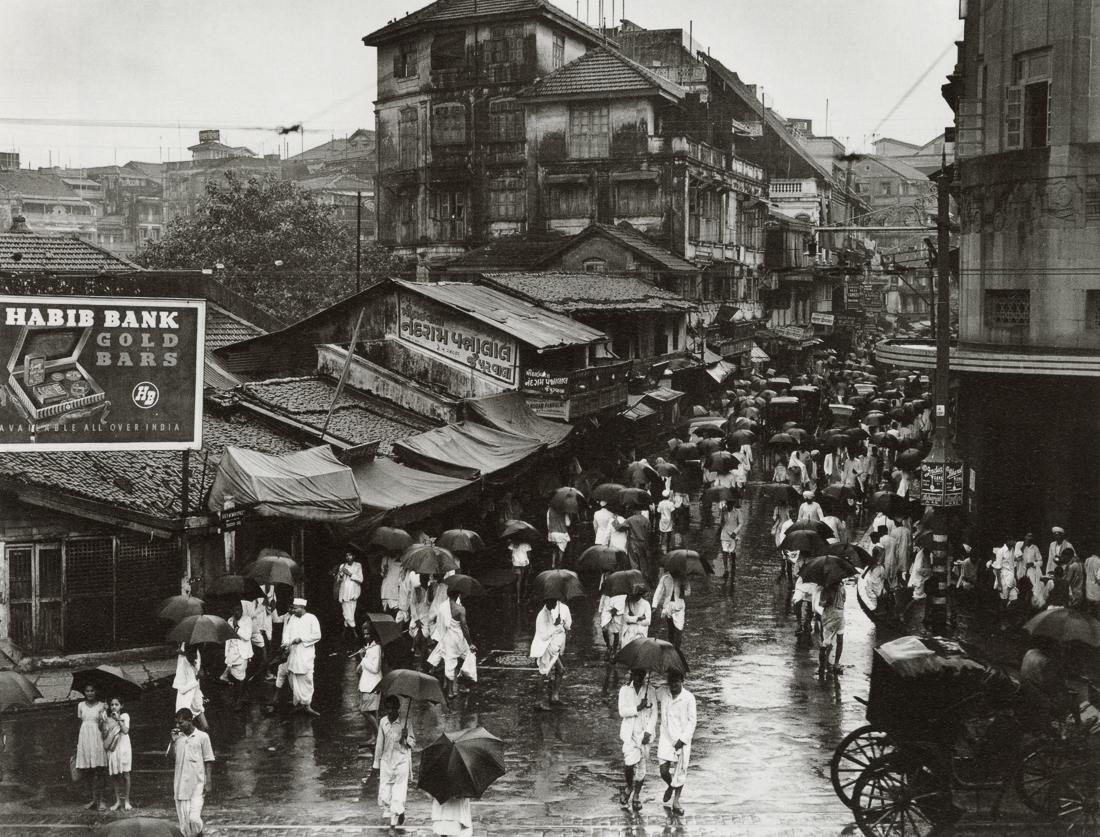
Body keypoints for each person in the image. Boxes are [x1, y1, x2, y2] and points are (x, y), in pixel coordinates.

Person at [369, 695, 414, 828]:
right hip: (386, 761)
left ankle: (393, 825)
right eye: (387, 708)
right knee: (384, 793)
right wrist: (376, 764)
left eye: (392, 708)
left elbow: (413, 743)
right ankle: (399, 811)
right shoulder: (383, 722)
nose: (389, 711)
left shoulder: (406, 722)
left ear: (397, 708)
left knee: (398, 793)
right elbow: (379, 744)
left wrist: (406, 738)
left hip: (401, 761)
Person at [657, 671, 697, 816]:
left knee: (680, 771)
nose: (673, 685)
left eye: (676, 681)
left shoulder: (689, 698)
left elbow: (692, 722)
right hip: (666, 737)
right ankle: (670, 786)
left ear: (682, 681)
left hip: (682, 739)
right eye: (670, 681)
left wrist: (683, 740)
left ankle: (676, 801)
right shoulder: (663, 692)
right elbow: (649, 693)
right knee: (663, 771)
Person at [170, 708, 214, 837]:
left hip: (197, 785)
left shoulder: (202, 737)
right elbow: (172, 758)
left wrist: (208, 781)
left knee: (194, 819)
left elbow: (209, 759)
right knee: (184, 825)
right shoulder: (177, 738)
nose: (178, 726)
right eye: (177, 723)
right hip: (180, 786)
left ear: (190, 721)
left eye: (181, 723)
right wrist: (173, 741)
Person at [618, 668, 657, 812]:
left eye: (643, 674)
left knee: (641, 768)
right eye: (637, 674)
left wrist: (649, 732)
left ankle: (636, 797)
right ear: (632, 674)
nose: (640, 677)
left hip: (644, 735)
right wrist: (638, 707)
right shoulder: (624, 690)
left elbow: (654, 714)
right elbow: (622, 711)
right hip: (629, 734)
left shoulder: (650, 690)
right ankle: (629, 787)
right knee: (629, 764)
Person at [279, 597, 322, 715]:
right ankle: (298, 704)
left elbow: (317, 635)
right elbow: (286, 632)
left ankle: (307, 705)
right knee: (293, 678)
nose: (293, 610)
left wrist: (301, 639)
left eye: (295, 608)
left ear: (302, 608)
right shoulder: (292, 618)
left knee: (307, 679)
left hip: (305, 654)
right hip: (293, 654)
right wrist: (286, 644)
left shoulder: (312, 618)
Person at [529, 597, 571, 710]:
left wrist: (560, 624)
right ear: (546, 602)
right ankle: (538, 702)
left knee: (560, 670)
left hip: (555, 647)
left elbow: (568, 626)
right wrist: (555, 626)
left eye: (555, 602)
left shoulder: (561, 609)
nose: (553, 605)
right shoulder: (541, 615)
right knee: (543, 673)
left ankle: (554, 697)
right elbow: (543, 635)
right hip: (545, 648)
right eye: (551, 603)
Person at [75, 684, 108, 810]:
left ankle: (102, 800)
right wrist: (79, 744)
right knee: (87, 770)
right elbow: (80, 724)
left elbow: (104, 726)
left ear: (96, 691)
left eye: (92, 690)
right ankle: (93, 800)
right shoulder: (81, 705)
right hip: (84, 738)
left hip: (97, 737)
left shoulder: (101, 705)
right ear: (84, 692)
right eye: (87, 691)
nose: (90, 693)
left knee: (99, 769)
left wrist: (103, 713)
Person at [221, 602, 253, 709]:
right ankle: (241, 696)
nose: (237, 612)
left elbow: (247, 636)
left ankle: (239, 700)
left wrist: (236, 628)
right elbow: (227, 640)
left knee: (240, 677)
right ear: (232, 611)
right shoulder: (229, 621)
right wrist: (227, 655)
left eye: (239, 610)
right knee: (234, 677)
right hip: (232, 654)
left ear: (242, 610)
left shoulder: (247, 620)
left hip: (243, 653)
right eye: (235, 610)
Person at [102, 696, 132, 811]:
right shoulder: (108, 718)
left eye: (116, 704)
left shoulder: (125, 716)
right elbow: (105, 733)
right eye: (112, 705)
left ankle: (127, 801)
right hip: (113, 747)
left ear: (121, 706)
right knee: (115, 775)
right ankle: (118, 801)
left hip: (124, 747)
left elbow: (125, 730)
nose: (114, 706)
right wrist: (104, 719)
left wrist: (118, 719)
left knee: (125, 773)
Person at [813, 582, 846, 677]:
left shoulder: (825, 589)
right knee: (839, 639)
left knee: (827, 642)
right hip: (838, 616)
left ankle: (823, 665)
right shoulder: (841, 588)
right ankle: (835, 663)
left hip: (830, 616)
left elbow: (821, 604)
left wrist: (828, 601)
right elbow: (843, 600)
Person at [357, 626, 383, 740]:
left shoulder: (376, 648)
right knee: (373, 712)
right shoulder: (369, 647)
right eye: (364, 634)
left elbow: (375, 668)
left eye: (368, 634)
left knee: (364, 711)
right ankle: (375, 736)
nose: (365, 636)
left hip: (372, 685)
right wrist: (361, 662)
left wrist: (363, 658)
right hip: (367, 684)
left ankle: (380, 735)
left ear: (373, 634)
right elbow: (364, 666)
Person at [652, 571, 688, 650]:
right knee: (671, 628)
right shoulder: (665, 578)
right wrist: (654, 605)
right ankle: (672, 647)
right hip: (668, 606)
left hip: (679, 606)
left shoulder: (683, 579)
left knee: (679, 628)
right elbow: (659, 591)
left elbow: (688, 593)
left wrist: (684, 588)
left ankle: (677, 649)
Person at [336, 550, 364, 643]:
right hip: (344, 593)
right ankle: (353, 633)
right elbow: (338, 581)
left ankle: (347, 634)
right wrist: (340, 575)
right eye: (346, 555)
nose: (348, 557)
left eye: (350, 555)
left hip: (353, 593)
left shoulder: (358, 565)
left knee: (349, 614)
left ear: (354, 556)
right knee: (346, 613)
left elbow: (360, 580)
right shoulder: (342, 566)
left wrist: (350, 574)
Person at [718, 497, 745, 580]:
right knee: (725, 551)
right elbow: (721, 522)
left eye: (730, 504)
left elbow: (741, 523)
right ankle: (726, 570)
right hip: (725, 534)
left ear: (733, 504)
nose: (728, 505)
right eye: (727, 504)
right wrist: (722, 513)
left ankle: (733, 563)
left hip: (733, 535)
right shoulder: (724, 511)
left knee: (732, 551)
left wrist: (735, 532)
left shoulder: (737, 512)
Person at [508, 538, 532, 604]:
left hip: (516, 564)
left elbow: (510, 554)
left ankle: (518, 598)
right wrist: (530, 564)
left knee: (518, 580)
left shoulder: (512, 544)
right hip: (525, 564)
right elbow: (529, 556)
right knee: (526, 578)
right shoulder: (527, 545)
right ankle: (524, 594)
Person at [547, 504, 571, 569]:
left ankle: (553, 564)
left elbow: (548, 523)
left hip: (552, 533)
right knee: (561, 551)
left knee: (554, 550)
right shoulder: (564, 510)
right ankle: (559, 566)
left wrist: (550, 531)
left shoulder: (550, 509)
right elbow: (568, 524)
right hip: (561, 533)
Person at [1084, 552, 1100, 618]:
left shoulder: (1087, 560)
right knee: (1097, 610)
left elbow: (1085, 571)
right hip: (1097, 589)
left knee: (1089, 609)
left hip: (1088, 587)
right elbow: (1099, 578)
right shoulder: (1099, 562)